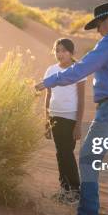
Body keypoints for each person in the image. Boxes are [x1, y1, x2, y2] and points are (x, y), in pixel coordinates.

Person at [35, 2, 108, 215]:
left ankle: (87, 214)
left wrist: (49, 82)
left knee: (88, 158)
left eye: (98, 25)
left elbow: (81, 68)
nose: (98, 31)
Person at [43, 38, 86, 203]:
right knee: (60, 153)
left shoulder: (78, 70)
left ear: (71, 52)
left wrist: (78, 125)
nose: (60, 54)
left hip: (70, 117)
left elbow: (81, 100)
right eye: (57, 50)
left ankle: (75, 191)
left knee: (66, 153)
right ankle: (64, 189)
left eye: (64, 50)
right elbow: (48, 95)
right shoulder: (51, 70)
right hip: (54, 116)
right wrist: (46, 120)